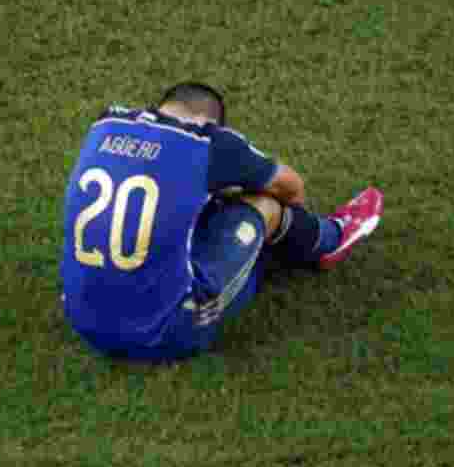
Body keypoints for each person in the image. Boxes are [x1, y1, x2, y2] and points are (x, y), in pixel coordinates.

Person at [59, 82, 383, 362]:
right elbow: (292, 189)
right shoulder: (208, 141)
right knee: (266, 207)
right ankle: (329, 239)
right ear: (211, 120)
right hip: (166, 333)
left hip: (82, 320)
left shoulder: (106, 122)